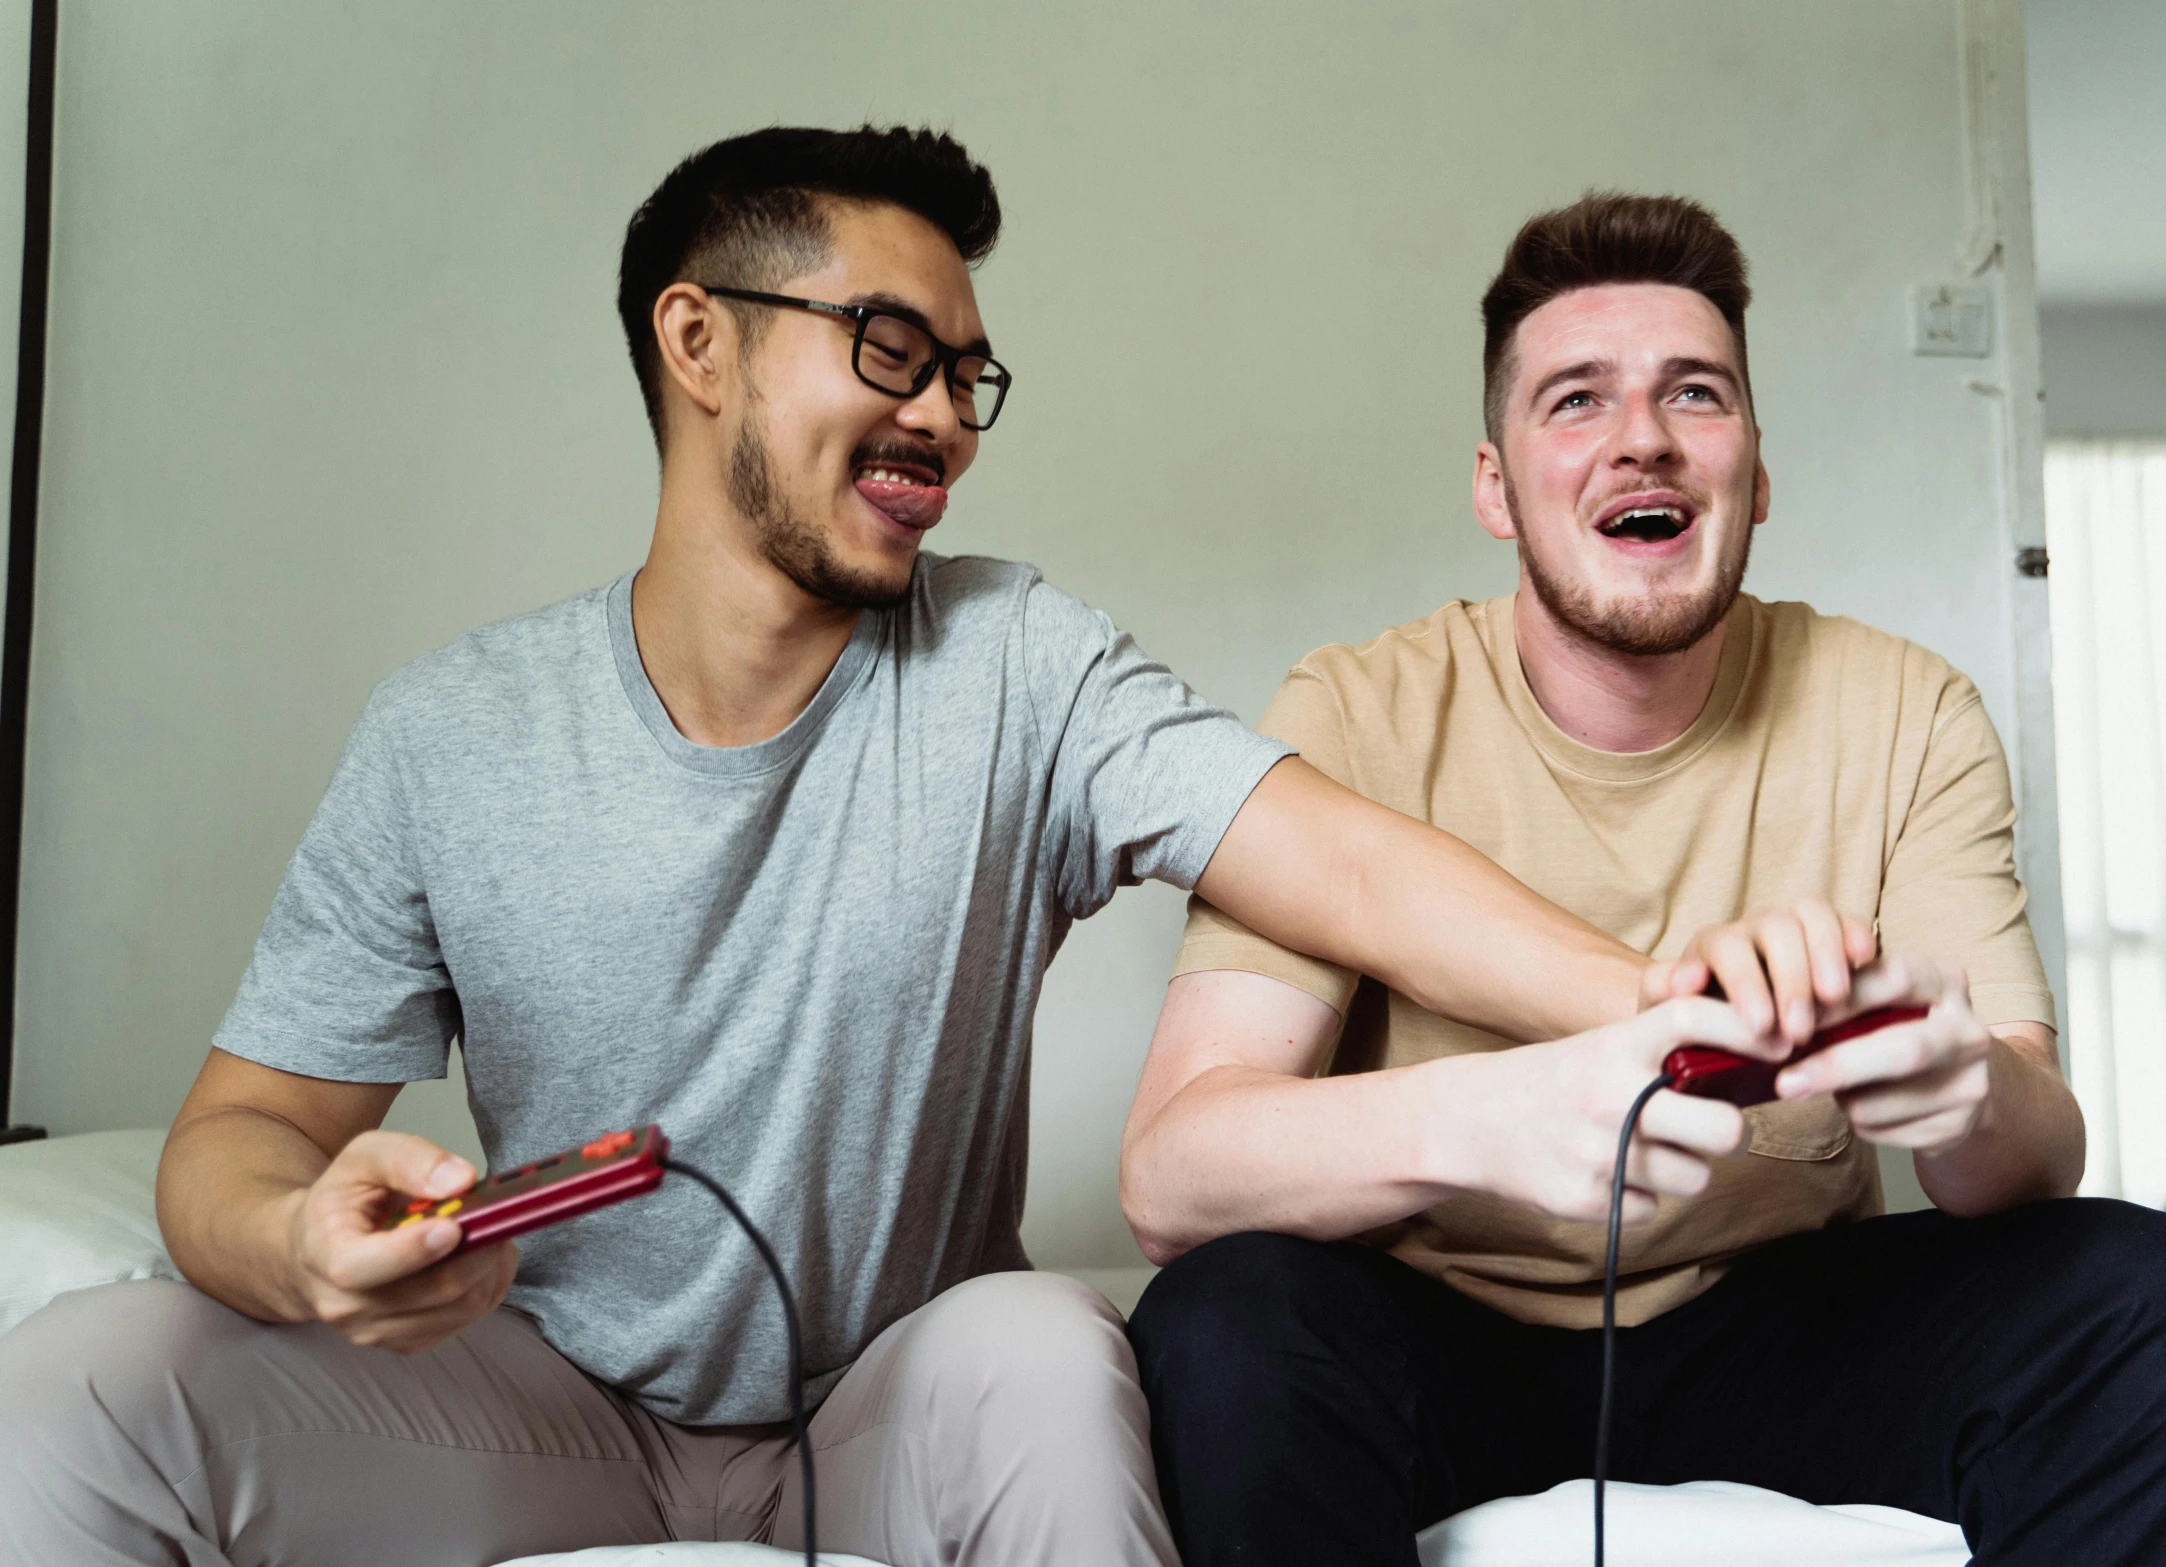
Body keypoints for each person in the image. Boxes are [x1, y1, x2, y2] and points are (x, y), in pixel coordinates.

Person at [0, 129, 1826, 1567]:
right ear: (696, 339)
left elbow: (1336, 862)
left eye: (968, 371)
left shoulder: (1013, 656)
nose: (945, 415)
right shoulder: (450, 734)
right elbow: (235, 1136)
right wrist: (294, 1242)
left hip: (893, 1398)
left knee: (1045, 1344)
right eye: (892, 349)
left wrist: (1657, 1011)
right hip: (544, 1402)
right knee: (78, 1382)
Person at [1121, 192, 2166, 1567]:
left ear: (1755, 470)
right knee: (1226, 1320)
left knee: (2164, 1289)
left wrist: (1963, 1081)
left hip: (1781, 1316)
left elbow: (2030, 1159)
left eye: (1693, 392)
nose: (1641, 436)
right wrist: (1489, 1115)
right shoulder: (1356, 709)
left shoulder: (1904, 710)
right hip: (1439, 1331)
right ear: (1494, 483)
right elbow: (1174, 1174)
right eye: (1574, 400)